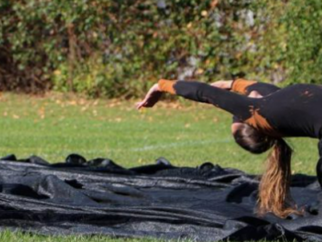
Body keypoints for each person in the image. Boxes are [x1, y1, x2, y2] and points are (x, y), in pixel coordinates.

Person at [135, 78, 322, 218]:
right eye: (237, 115)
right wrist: (161, 86)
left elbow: (251, 86)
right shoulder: (261, 111)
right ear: (253, 123)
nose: (237, 110)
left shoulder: (272, 100)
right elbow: (204, 92)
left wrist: (229, 83)